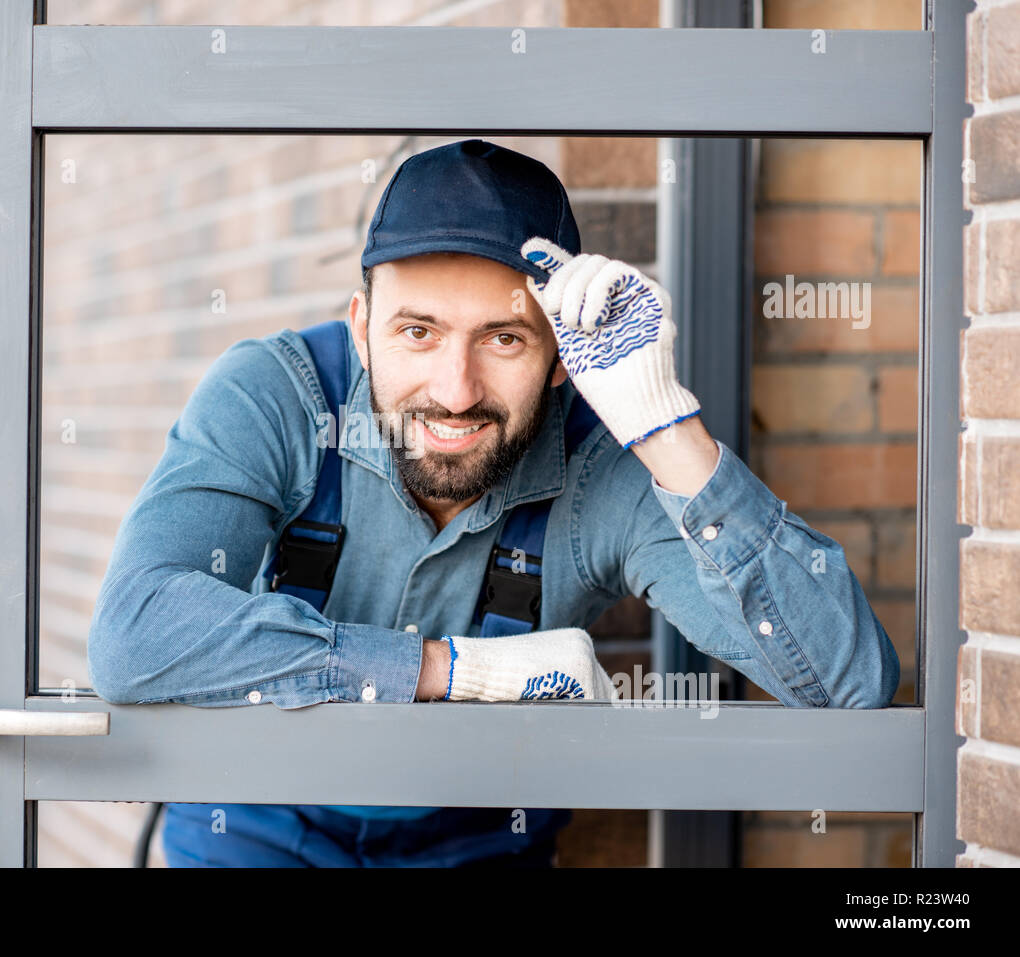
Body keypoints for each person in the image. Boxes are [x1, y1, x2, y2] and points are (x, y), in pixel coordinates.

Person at [86, 138, 900, 867]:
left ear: (559, 357)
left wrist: (667, 428)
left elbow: (847, 684)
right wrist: (451, 671)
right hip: (255, 824)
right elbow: (134, 631)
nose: (455, 390)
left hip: (478, 838)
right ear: (361, 327)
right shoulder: (278, 397)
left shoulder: (603, 468)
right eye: (418, 332)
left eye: (504, 338)